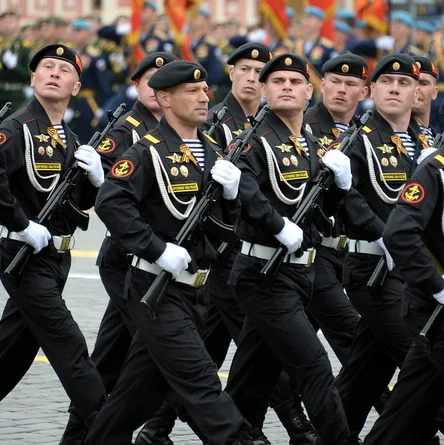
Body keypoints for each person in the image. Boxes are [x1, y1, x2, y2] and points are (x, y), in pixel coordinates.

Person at [86, 60, 262, 445]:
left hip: (197, 290)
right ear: (164, 98)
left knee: (136, 396)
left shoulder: (213, 150)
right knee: (201, 382)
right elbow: (111, 202)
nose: (203, 97)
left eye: (204, 90)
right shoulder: (146, 151)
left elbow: (219, 227)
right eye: (191, 92)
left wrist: (231, 199)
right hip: (156, 287)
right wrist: (156, 248)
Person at [0, 43, 108, 438]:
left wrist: (97, 181)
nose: (53, 73)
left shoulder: (71, 138)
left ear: (76, 86)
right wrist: (19, 222)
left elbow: (77, 202)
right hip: (23, 256)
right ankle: (107, 427)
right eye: (46, 67)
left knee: (11, 351)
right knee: (69, 344)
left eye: (64, 70)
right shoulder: (16, 127)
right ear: (33, 78)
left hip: (56, 258)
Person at [225, 53, 355, 445]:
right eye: (277, 80)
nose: (286, 86)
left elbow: (319, 212)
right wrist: (278, 225)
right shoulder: (253, 139)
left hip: (301, 272)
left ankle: (231, 435)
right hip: (264, 274)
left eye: (294, 81)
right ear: (263, 90)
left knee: (253, 376)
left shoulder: (312, 142)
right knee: (314, 365)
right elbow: (246, 188)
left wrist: (341, 188)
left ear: (308, 91)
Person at [59, 50, 178, 444]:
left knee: (111, 359)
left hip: (164, 262)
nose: (157, 89)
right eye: (149, 81)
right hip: (127, 258)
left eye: (166, 83)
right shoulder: (124, 129)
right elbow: (108, 193)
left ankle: (80, 436)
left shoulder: (186, 129)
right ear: (137, 86)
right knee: (161, 354)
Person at [334, 53, 423, 442]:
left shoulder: (426, 141)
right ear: (372, 90)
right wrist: (382, 236)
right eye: (387, 82)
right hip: (375, 271)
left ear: (417, 92)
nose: (394, 88)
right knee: (423, 361)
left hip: (415, 273)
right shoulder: (360, 138)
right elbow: (346, 195)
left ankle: (334, 434)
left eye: (404, 84)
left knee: (365, 371)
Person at [362, 142, 444, 444]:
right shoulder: (435, 170)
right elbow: (398, 233)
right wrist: (437, 286)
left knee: (408, 411)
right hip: (432, 308)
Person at [303, 54, 368, 364]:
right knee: (356, 338)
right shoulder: (303, 127)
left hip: (348, 254)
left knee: (268, 361)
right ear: (323, 85)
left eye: (351, 84)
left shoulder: (363, 134)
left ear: (364, 92)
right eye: (336, 82)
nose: (342, 89)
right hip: (315, 252)